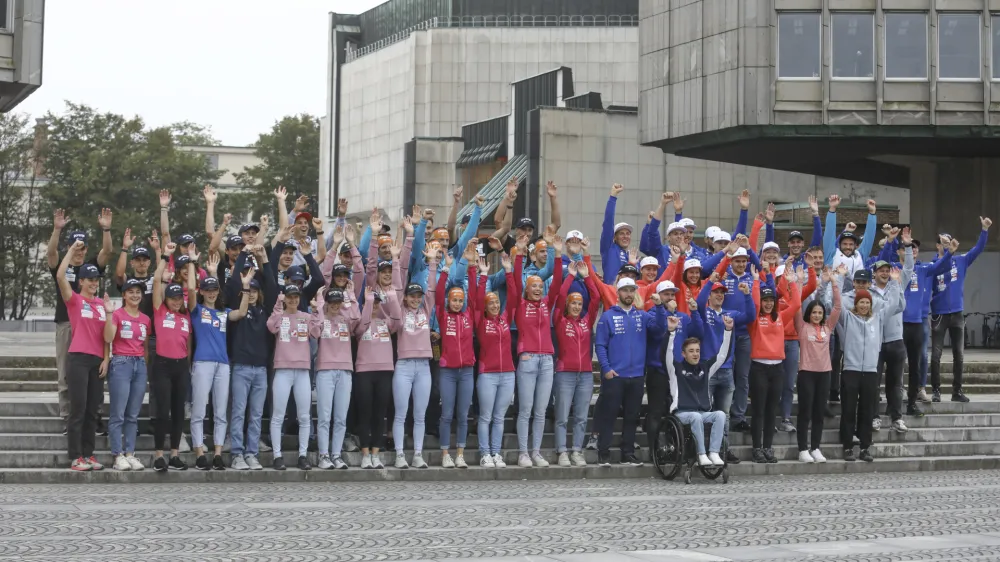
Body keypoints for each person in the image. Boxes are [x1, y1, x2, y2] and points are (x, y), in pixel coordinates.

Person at [48, 209, 113, 431]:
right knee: (65, 373)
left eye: (83, 247)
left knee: (95, 373)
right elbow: (50, 255)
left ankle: (94, 417)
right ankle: (68, 417)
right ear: (69, 247)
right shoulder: (62, 267)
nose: (79, 251)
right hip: (67, 324)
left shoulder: (91, 268)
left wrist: (106, 228)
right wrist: (57, 230)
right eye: (75, 246)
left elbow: (108, 251)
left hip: (91, 327)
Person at [594, 278, 666, 467]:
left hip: (636, 376)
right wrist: (606, 369)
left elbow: (660, 330)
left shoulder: (641, 316)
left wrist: (659, 308)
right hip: (615, 376)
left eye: (631, 290)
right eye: (624, 290)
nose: (628, 294)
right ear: (617, 293)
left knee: (632, 416)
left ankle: (628, 453)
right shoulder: (607, 317)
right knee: (609, 415)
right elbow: (600, 345)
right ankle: (604, 452)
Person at [839, 270, 905, 462]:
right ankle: (848, 446)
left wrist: (895, 283)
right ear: (856, 304)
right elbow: (834, 305)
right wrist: (839, 279)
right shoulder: (848, 318)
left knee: (867, 410)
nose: (864, 305)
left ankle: (865, 447)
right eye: (861, 302)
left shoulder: (878, 318)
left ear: (870, 304)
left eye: (867, 302)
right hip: (851, 370)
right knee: (849, 409)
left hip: (870, 370)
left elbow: (893, 304)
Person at [57, 240, 110, 471]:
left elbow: (107, 336)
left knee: (91, 410)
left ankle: (89, 455)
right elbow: (60, 277)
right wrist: (71, 251)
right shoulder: (75, 301)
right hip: (78, 358)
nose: (93, 284)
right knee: (78, 409)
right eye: (89, 280)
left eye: (96, 280)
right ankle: (75, 456)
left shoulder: (100, 304)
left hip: (97, 361)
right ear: (81, 281)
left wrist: (106, 359)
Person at [512, 235, 564, 467]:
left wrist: (557, 252)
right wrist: (520, 254)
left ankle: (536, 451)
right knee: (525, 409)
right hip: (528, 358)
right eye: (533, 286)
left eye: (539, 286)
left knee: (541, 410)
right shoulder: (519, 304)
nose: (537, 289)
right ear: (526, 288)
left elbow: (557, 282)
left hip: (547, 361)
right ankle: (523, 452)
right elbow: (514, 281)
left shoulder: (546, 303)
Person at [930, 217, 992, 403]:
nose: (946, 245)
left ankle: (957, 391)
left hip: (957, 313)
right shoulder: (932, 266)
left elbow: (978, 249)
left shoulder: (961, 261)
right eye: (943, 242)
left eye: (949, 242)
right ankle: (936, 391)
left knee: (959, 354)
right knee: (936, 355)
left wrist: (984, 229)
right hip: (939, 314)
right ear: (937, 245)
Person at [694, 274, 754, 463]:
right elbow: (699, 300)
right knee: (705, 412)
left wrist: (747, 295)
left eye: (722, 292)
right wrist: (710, 281)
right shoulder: (704, 312)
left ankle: (723, 449)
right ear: (710, 295)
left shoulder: (730, 314)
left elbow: (751, 316)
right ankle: (702, 450)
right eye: (716, 292)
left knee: (724, 414)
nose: (719, 295)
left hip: (727, 370)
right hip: (708, 370)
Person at [227, 246, 276, 471]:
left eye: (256, 289)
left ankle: (251, 453)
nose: (253, 293)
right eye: (250, 290)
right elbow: (234, 284)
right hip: (241, 367)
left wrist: (264, 261)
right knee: (238, 412)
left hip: (261, 370)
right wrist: (245, 255)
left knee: (256, 415)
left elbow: (273, 289)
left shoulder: (266, 311)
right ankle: (237, 454)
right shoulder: (237, 310)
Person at [311, 287, 369, 469]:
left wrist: (351, 297)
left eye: (338, 302)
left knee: (340, 417)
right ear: (327, 303)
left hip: (345, 370)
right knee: (324, 416)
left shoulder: (346, 320)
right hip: (325, 370)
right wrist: (320, 303)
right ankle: (323, 455)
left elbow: (358, 319)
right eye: (332, 302)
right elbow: (315, 332)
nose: (335, 305)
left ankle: (336, 455)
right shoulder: (320, 318)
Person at [748, 263, 801, 463]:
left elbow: (795, 304)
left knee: (772, 410)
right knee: (759, 409)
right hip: (759, 367)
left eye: (771, 300)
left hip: (777, 368)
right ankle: (756, 448)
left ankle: (768, 447)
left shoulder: (779, 317)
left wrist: (793, 283)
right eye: (765, 300)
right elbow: (753, 306)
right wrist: (755, 282)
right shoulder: (754, 319)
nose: (768, 304)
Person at [392, 247, 439, 469]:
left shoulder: (425, 310)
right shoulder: (400, 311)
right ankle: (400, 454)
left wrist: (431, 263)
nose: (416, 300)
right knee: (401, 413)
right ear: (406, 298)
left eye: (418, 296)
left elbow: (432, 290)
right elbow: (397, 286)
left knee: (420, 414)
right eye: (412, 296)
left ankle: (417, 454)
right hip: (403, 366)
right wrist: (394, 260)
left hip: (423, 367)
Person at [665, 314, 734, 466]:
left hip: (702, 412)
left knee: (720, 415)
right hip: (681, 413)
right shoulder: (676, 368)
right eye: (691, 351)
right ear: (684, 354)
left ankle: (714, 452)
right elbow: (667, 354)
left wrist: (728, 331)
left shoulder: (705, 368)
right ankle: (701, 454)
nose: (695, 354)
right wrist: (671, 333)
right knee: (695, 416)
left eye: (697, 350)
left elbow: (722, 356)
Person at [151, 242, 196, 471]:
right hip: (162, 365)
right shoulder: (160, 310)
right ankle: (159, 454)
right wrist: (164, 256)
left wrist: (191, 261)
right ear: (166, 299)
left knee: (179, 411)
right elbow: (157, 282)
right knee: (163, 411)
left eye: (180, 298)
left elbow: (187, 342)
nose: (177, 301)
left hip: (180, 366)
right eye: (173, 298)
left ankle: (175, 454)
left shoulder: (186, 314)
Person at [472, 253, 519, 468]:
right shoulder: (481, 321)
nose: (494, 305)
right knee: (486, 416)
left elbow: (515, 297)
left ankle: (496, 453)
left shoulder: (505, 320)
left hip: (508, 373)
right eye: (491, 303)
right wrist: (482, 276)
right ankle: (484, 453)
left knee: (499, 417)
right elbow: (476, 299)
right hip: (488, 374)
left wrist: (509, 271)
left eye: (497, 303)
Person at [552, 260, 600, 467]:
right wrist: (570, 276)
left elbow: (596, 298)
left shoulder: (586, 321)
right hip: (565, 373)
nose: (577, 307)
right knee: (562, 416)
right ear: (567, 305)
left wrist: (587, 276)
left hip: (586, 375)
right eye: (573, 303)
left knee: (581, 416)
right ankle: (562, 451)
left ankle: (577, 451)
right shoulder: (560, 321)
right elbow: (560, 296)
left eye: (580, 304)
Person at [793, 267, 842, 463]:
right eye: (814, 312)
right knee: (805, 412)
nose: (817, 315)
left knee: (819, 413)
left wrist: (834, 282)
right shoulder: (802, 327)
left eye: (820, 312)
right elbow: (796, 305)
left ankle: (815, 448)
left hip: (824, 374)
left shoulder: (828, 327)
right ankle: (802, 449)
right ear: (809, 314)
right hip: (806, 373)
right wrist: (798, 282)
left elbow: (837, 307)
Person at [188, 255, 231, 471]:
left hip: (223, 364)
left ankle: (217, 454)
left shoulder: (224, 312)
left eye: (215, 289)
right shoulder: (196, 310)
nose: (212, 293)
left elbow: (241, 312)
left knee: (221, 411)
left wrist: (215, 275)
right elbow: (190, 292)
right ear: (201, 291)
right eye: (208, 289)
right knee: (199, 410)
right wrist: (192, 263)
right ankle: (199, 452)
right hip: (202, 362)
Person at [104, 278, 151, 471]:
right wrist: (108, 314)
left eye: (138, 292)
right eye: (130, 292)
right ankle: (117, 455)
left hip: (139, 365)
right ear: (123, 295)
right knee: (118, 414)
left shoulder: (145, 319)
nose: (135, 295)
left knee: (133, 414)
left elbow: (146, 347)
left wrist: (144, 367)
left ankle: (130, 453)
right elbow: (107, 338)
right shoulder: (117, 315)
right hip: (121, 363)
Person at [870, 234, 915, 433]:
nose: (885, 273)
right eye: (881, 270)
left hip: (896, 341)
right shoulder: (869, 292)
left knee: (895, 384)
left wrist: (906, 246)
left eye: (887, 270)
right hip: (876, 342)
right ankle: (874, 417)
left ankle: (896, 417)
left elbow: (908, 269)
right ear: (875, 273)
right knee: (873, 383)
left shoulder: (897, 284)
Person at [266, 285, 314, 471]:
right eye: (289, 297)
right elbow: (271, 327)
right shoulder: (280, 316)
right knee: (278, 415)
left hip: (302, 370)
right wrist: (278, 305)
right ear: (284, 298)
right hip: (283, 370)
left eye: (296, 297)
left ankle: (303, 455)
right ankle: (277, 456)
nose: (293, 300)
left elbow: (317, 332)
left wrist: (317, 308)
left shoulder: (306, 317)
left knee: (304, 416)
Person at [435, 256, 476, 469]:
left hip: (467, 371)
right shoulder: (443, 314)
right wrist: (446, 270)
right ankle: (445, 454)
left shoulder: (469, 315)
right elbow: (439, 295)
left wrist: (472, 269)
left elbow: (476, 297)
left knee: (462, 414)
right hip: (448, 371)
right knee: (447, 414)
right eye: (454, 300)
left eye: (460, 300)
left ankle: (460, 453)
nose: (458, 303)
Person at [600, 183, 632, 281]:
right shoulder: (609, 248)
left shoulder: (631, 256)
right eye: (621, 233)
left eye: (628, 233)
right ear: (614, 237)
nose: (625, 236)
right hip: (611, 293)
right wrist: (613, 197)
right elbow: (608, 223)